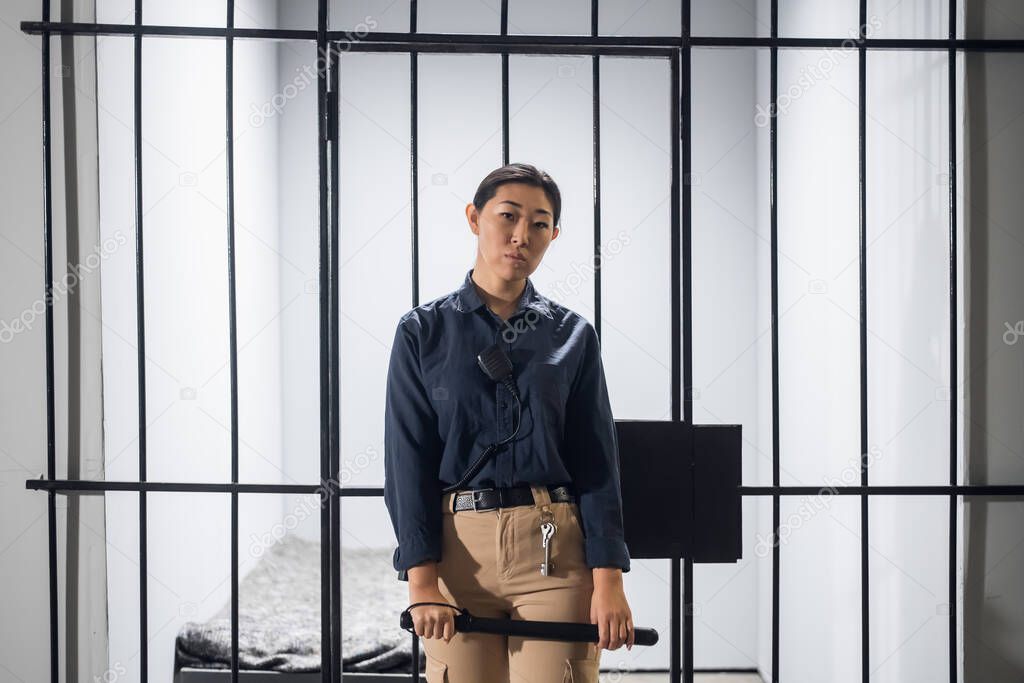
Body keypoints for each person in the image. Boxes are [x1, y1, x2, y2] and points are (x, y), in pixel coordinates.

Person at [383, 162, 633, 683]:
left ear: (554, 235)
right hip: (458, 556)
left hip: (555, 555)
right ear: (475, 218)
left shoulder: (572, 336)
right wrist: (422, 583)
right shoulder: (422, 332)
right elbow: (407, 462)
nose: (522, 235)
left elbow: (597, 464)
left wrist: (609, 579)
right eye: (508, 216)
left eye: (540, 224)